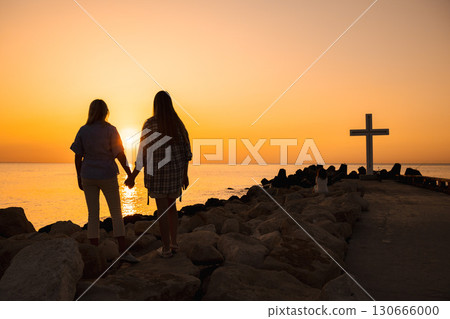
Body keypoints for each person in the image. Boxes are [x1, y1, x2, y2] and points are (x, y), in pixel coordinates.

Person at [70, 99, 139, 263]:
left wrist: (79, 176)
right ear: (106, 112)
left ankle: (94, 253)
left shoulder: (83, 130)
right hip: (107, 175)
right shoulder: (110, 130)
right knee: (116, 213)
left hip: (88, 175)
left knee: (93, 214)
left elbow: (77, 156)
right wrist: (130, 174)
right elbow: (119, 154)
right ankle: (123, 252)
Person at [126, 91, 191, 258]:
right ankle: (174, 243)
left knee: (162, 212)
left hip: (157, 176)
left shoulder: (150, 124)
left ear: (155, 105)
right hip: (175, 174)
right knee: (172, 209)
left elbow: (142, 153)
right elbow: (186, 152)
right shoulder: (177, 124)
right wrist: (185, 175)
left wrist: (133, 176)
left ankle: (166, 248)